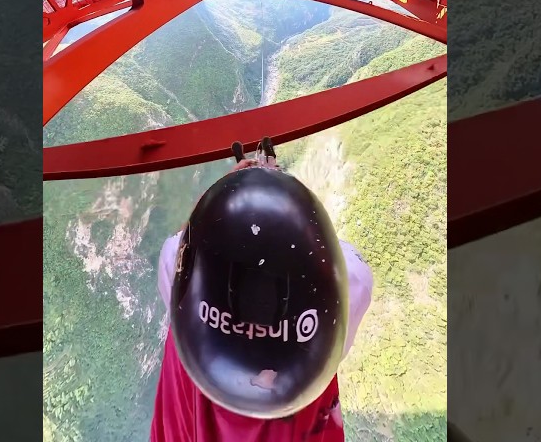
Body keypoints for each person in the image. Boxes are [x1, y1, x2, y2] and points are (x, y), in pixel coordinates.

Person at [150, 155, 374, 441]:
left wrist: (232, 190)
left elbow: (184, 244)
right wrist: (277, 197)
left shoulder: (179, 280)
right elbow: (331, 254)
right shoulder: (352, 285)